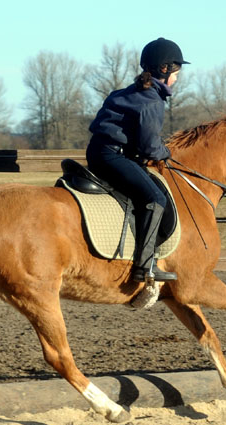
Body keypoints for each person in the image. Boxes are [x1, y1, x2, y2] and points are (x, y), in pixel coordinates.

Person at [86, 37, 189, 282]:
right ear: (164, 69)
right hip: (112, 156)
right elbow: (149, 148)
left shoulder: (127, 93)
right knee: (154, 198)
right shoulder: (152, 101)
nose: (176, 78)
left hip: (98, 152)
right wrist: (167, 152)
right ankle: (144, 267)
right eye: (176, 72)